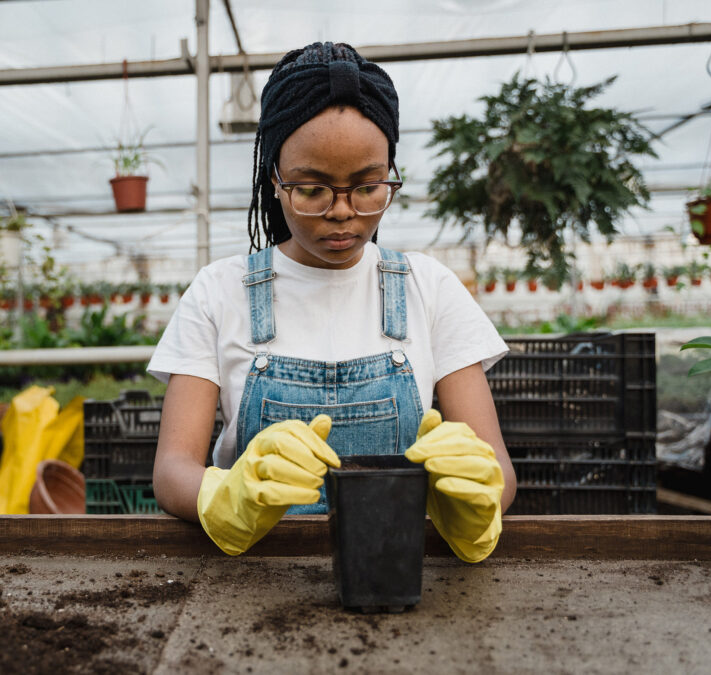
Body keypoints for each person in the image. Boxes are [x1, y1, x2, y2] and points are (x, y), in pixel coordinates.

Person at [148, 42, 515, 563]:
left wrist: (474, 500)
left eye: (368, 187)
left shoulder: (428, 287)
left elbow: (497, 468)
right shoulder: (218, 291)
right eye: (313, 189)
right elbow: (171, 470)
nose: (343, 212)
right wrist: (224, 495)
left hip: (396, 570)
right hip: (257, 581)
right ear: (274, 179)